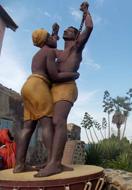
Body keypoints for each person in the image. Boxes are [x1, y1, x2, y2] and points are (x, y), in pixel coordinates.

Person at [35, 1, 93, 177]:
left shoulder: (76, 48)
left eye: (71, 30)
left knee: (58, 121)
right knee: (47, 125)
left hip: (66, 88)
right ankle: (55, 160)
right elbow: (49, 50)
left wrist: (86, 12)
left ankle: (54, 164)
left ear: (76, 37)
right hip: (52, 88)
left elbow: (89, 28)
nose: (67, 30)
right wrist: (54, 33)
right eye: (65, 30)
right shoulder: (58, 53)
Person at [13, 26, 79, 173]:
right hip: (39, 86)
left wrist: (54, 33)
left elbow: (53, 44)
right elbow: (54, 76)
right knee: (47, 124)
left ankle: (19, 165)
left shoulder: (37, 54)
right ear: (45, 40)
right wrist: (73, 75)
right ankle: (53, 163)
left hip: (27, 86)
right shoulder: (49, 52)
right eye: (51, 36)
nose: (55, 38)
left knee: (28, 127)